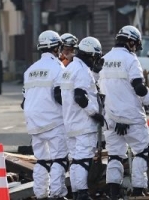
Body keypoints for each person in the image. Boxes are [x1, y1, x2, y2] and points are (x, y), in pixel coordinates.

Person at [99, 26, 149, 198]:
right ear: (131, 42)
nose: (135, 49)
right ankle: (138, 191)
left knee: (115, 155)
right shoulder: (130, 60)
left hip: (110, 117)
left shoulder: (104, 59)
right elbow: (139, 87)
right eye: (135, 45)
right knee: (142, 152)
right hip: (132, 116)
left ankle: (113, 193)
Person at [23, 30, 69, 200]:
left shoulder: (30, 70)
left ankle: (40, 194)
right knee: (59, 158)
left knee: (42, 160)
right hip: (53, 120)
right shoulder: (58, 67)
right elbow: (59, 95)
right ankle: (57, 194)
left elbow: (24, 99)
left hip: (33, 121)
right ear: (56, 48)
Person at [58, 37, 105, 200]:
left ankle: (79, 192)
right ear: (92, 55)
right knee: (84, 159)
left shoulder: (69, 69)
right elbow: (80, 96)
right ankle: (83, 193)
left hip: (70, 123)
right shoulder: (82, 70)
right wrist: (95, 114)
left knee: (76, 160)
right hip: (83, 124)